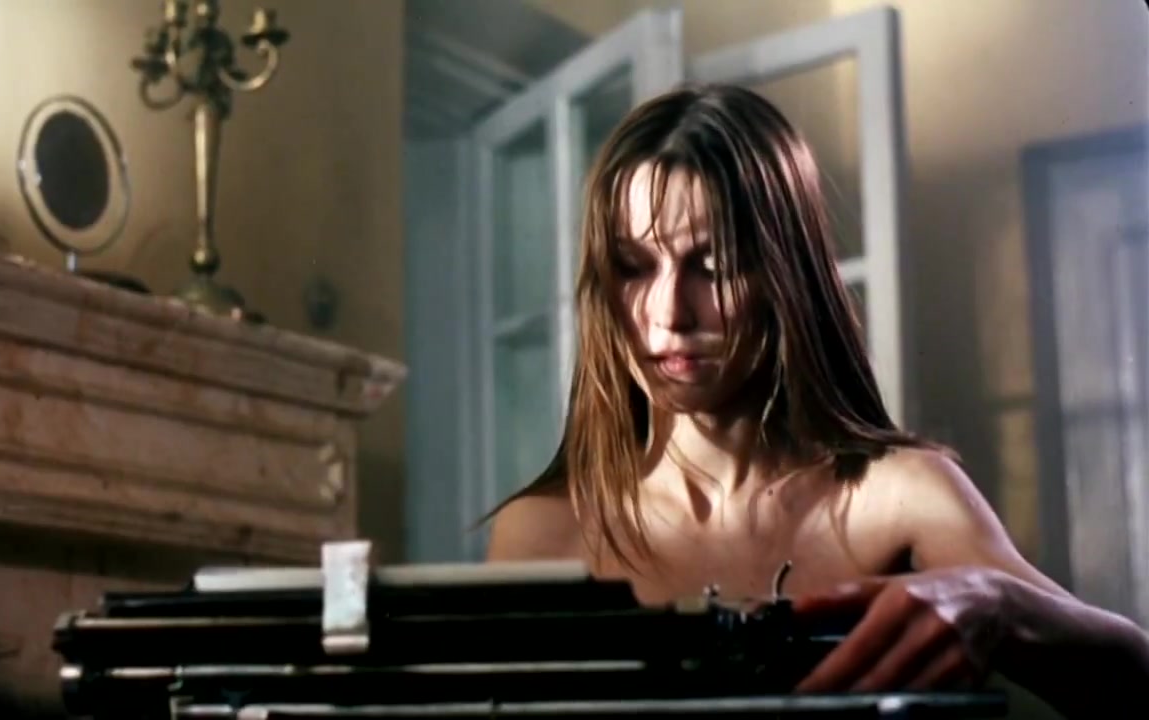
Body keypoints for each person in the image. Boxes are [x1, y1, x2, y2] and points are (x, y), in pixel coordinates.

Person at [484, 83, 1148, 718]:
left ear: (786, 273)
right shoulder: (545, 532)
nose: (669, 313)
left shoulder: (899, 498)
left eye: (713, 266)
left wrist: (999, 603)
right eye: (633, 267)